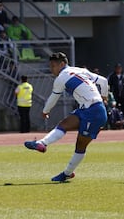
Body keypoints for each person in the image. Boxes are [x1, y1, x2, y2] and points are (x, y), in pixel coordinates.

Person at [24, 52, 109, 182]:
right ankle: (41, 143)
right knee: (64, 124)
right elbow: (103, 81)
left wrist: (45, 111)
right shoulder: (80, 70)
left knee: (80, 145)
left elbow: (53, 98)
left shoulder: (61, 78)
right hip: (87, 108)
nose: (51, 69)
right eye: (50, 66)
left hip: (94, 112)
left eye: (53, 66)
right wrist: (104, 96)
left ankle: (67, 173)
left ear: (62, 64)